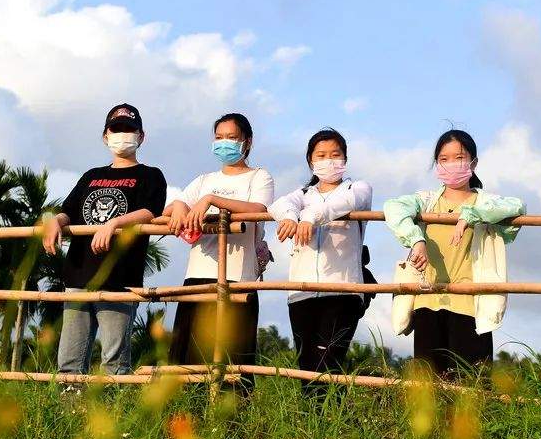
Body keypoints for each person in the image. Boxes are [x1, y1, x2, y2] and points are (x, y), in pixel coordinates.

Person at [383, 129, 525, 379]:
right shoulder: (426, 201)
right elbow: (393, 208)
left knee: (471, 386)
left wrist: (470, 215)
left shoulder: (485, 203)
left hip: (470, 305)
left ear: (473, 163)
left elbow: (516, 206)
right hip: (428, 302)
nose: (451, 165)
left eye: (459, 158)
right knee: (429, 386)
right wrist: (416, 240)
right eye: (444, 159)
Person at [42, 103, 167, 375]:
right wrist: (54, 221)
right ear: (105, 136)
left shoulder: (150, 176)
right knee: (70, 360)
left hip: (120, 278)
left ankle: (114, 412)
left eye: (129, 130)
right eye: (117, 129)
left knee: (115, 360)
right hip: (78, 275)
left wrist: (115, 223)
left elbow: (150, 211)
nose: (123, 135)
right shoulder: (92, 176)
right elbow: (69, 211)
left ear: (141, 136)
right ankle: (71, 413)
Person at [164, 113, 274, 369]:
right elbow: (171, 208)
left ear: (248, 141)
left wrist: (212, 200)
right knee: (190, 357)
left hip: (237, 277)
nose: (224, 143)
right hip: (197, 274)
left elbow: (258, 208)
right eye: (219, 137)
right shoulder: (204, 180)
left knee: (231, 357)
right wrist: (180, 204)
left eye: (232, 138)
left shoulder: (259, 176)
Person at [269, 128, 372, 388]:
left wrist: (309, 217)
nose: (328, 161)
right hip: (301, 294)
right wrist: (291, 217)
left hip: (342, 291)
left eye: (335, 154)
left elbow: (342, 203)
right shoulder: (302, 194)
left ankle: (334, 423)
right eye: (321, 155)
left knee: (329, 364)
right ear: (310, 161)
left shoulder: (357, 188)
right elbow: (279, 205)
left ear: (345, 159)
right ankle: (312, 425)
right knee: (307, 368)